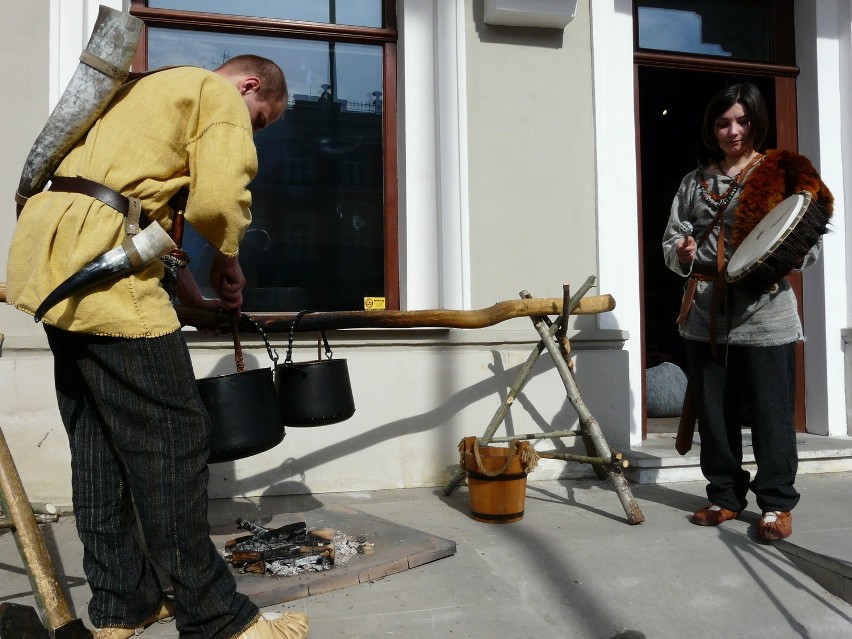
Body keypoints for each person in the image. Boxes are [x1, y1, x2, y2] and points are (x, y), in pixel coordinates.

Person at [6, 55, 309, 638]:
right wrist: (229, 255)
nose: (254, 129)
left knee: (98, 440)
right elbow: (218, 203)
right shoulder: (213, 94)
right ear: (249, 86)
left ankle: (124, 606)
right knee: (175, 436)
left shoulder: (141, 92)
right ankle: (217, 619)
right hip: (104, 276)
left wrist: (193, 295)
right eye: (261, 119)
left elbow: (144, 220)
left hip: (54, 264)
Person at [662, 82, 833, 542]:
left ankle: (776, 505)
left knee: (772, 413)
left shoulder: (782, 174)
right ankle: (724, 496)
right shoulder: (693, 183)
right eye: (722, 122)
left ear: (755, 122)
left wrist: (785, 256)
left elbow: (810, 239)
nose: (732, 131)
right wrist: (682, 251)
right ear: (711, 127)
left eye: (741, 121)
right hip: (706, 315)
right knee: (714, 414)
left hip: (767, 313)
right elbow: (670, 243)